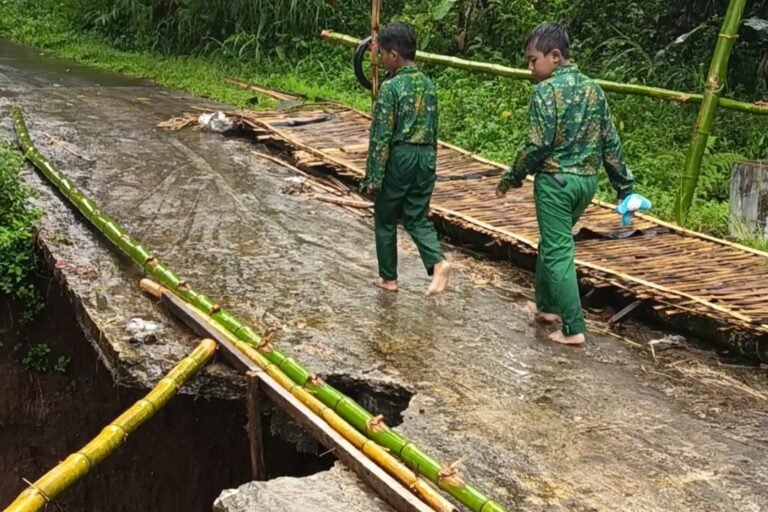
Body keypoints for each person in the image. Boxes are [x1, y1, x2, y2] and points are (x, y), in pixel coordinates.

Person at [495, 22, 635, 346]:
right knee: (552, 242)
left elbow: (537, 145)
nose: (530, 68)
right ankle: (546, 308)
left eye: (533, 60)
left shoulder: (545, 92)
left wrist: (512, 177)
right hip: (585, 184)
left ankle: (573, 328)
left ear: (555, 56)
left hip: (555, 184)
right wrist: (625, 188)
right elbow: (611, 143)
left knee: (558, 251)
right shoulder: (594, 90)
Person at [362, 21, 451, 295]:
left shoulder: (391, 88)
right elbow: (434, 130)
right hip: (426, 156)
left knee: (385, 217)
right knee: (416, 217)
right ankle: (438, 262)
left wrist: (373, 177)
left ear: (393, 55)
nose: (380, 58)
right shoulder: (429, 85)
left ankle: (389, 279)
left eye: (382, 54)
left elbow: (381, 137)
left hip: (402, 156)